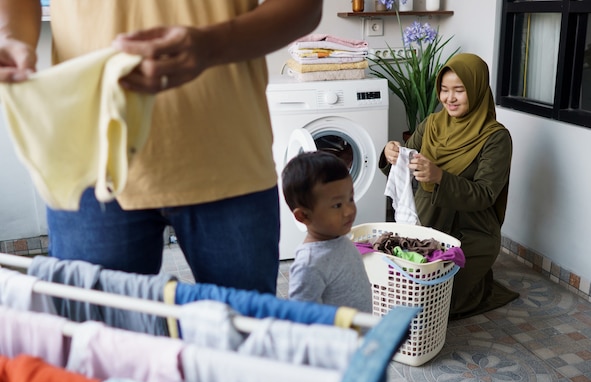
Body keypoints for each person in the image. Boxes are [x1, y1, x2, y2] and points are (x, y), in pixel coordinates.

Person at [0, 0, 323, 294]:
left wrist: (211, 45)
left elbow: (305, 7)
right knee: (98, 346)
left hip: (230, 154)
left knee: (240, 346)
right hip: (90, 158)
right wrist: (10, 35)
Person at [381, 53, 519, 319]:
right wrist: (391, 154)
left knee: (436, 307)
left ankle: (478, 286)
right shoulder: (431, 124)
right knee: (402, 291)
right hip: (425, 222)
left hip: (471, 230)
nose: (449, 98)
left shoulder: (496, 137)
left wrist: (440, 177)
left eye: (459, 90)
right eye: (444, 90)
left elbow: (485, 194)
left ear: (477, 90)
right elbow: (403, 163)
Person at [281, 151, 373, 313]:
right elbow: (301, 319)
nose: (349, 210)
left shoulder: (339, 238)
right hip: (336, 338)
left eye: (350, 199)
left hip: (359, 335)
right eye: (337, 205)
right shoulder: (309, 265)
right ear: (303, 216)